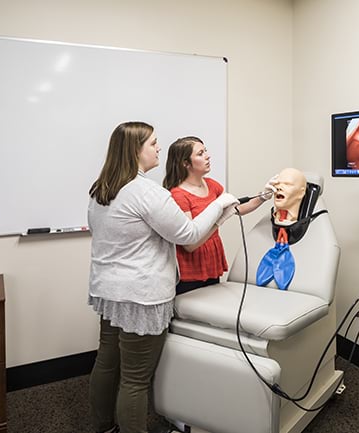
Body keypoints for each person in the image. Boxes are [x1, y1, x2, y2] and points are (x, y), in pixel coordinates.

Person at [87, 122, 238, 433]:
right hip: (141, 296)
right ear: (135, 150)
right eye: (153, 143)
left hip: (109, 290)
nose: (159, 148)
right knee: (135, 378)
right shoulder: (147, 192)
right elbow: (189, 235)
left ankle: (104, 426)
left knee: (107, 361)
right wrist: (220, 203)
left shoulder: (102, 189)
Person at [163, 136, 276, 295]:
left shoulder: (212, 185)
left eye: (206, 151)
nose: (208, 156)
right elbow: (190, 244)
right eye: (200, 153)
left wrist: (263, 196)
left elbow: (238, 208)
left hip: (210, 261)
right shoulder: (178, 195)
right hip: (191, 267)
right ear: (186, 163)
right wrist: (219, 222)